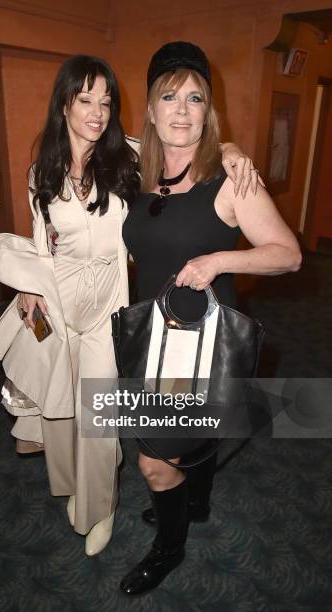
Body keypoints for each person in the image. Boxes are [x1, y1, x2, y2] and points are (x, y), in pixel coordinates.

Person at [0, 54, 258, 557]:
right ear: (63, 102)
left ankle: (99, 509)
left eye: (106, 101)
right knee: (63, 412)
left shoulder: (129, 156)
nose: (97, 111)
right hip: (57, 304)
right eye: (85, 99)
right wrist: (27, 288)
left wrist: (234, 150)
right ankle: (71, 487)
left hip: (109, 307)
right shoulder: (40, 170)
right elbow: (42, 242)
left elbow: (187, 141)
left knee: (102, 419)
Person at [120, 41, 302, 594]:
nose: (181, 109)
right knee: (185, 444)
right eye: (168, 97)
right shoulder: (136, 173)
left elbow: (287, 253)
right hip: (150, 335)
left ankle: (168, 549)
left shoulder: (229, 181)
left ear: (208, 112)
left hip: (197, 345)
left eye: (194, 98)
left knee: (153, 461)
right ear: (149, 112)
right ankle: (194, 499)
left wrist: (219, 258)